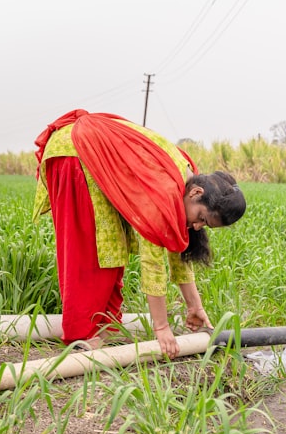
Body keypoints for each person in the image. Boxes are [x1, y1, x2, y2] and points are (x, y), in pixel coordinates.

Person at [33, 109, 246, 357]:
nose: (198, 227)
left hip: (92, 153)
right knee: (91, 250)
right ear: (196, 193)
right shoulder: (166, 193)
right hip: (76, 152)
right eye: (201, 219)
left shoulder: (189, 183)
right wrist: (162, 327)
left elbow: (178, 250)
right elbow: (152, 264)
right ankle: (83, 334)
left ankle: (104, 324)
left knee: (112, 247)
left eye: (204, 226)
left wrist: (194, 306)